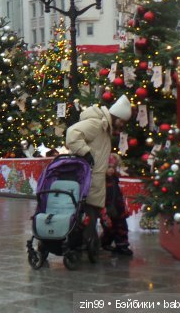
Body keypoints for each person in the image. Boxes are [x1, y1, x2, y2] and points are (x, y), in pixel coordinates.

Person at [65, 94, 132, 251]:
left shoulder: (104, 128)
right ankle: (84, 244)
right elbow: (72, 134)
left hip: (95, 180)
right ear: (116, 117)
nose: (121, 125)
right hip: (89, 180)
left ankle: (86, 243)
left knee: (91, 213)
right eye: (121, 121)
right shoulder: (96, 124)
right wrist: (85, 153)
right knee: (88, 213)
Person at [100, 153, 133, 256]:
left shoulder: (114, 178)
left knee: (121, 226)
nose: (111, 170)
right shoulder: (101, 180)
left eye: (113, 167)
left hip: (118, 207)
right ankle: (105, 243)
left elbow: (117, 193)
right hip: (107, 208)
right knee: (109, 228)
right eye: (108, 167)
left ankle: (122, 246)